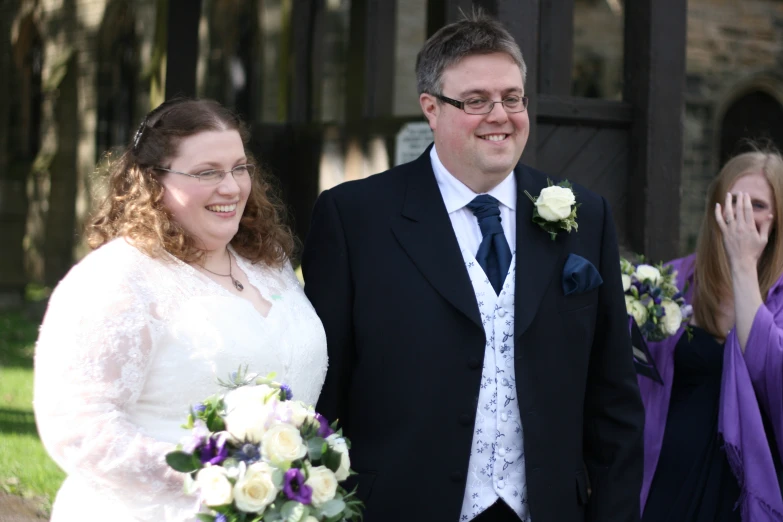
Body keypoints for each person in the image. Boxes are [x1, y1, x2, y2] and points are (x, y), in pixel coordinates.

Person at [302, 13, 644, 522]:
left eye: (512, 97)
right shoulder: (355, 217)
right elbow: (324, 390)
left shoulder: (584, 214)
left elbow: (613, 398)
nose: (500, 115)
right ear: (431, 109)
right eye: (476, 100)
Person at [33, 98, 327, 521]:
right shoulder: (116, 277)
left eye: (239, 168)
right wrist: (218, 479)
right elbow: (79, 429)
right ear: (153, 181)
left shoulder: (271, 264)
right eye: (207, 172)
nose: (231, 187)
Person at [639, 149, 783, 522]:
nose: (743, 214)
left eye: (758, 205)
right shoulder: (674, 280)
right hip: (670, 480)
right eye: (733, 202)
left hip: (746, 488)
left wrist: (743, 264)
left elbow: (770, 376)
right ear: (715, 210)